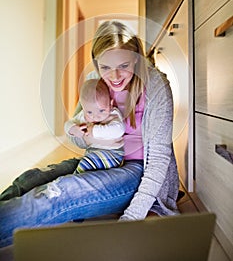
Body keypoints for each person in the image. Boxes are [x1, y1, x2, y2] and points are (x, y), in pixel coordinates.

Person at [0, 20, 179, 249]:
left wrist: (130, 220)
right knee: (30, 179)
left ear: (136, 58)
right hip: (101, 158)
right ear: (96, 64)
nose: (114, 76)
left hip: (138, 170)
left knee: (59, 193)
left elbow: (158, 161)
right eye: (105, 68)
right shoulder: (94, 83)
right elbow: (75, 134)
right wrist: (86, 136)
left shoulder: (155, 85)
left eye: (123, 65)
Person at [65, 78, 125, 173]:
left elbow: (119, 130)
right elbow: (68, 123)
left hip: (112, 154)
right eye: (89, 112)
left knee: (87, 163)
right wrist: (72, 129)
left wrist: (94, 130)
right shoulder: (84, 115)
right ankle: (77, 178)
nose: (96, 116)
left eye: (101, 110)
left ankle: (75, 178)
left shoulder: (113, 114)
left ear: (110, 103)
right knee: (85, 163)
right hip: (92, 151)